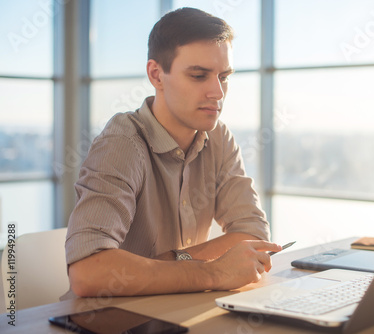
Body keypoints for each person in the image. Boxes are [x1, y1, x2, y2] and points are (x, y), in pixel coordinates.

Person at [64, 7, 281, 298]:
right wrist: (214, 271)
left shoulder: (217, 137)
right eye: (199, 75)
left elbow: (253, 236)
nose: (217, 92)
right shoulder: (122, 142)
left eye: (224, 76)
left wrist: (174, 261)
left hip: (177, 313)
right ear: (156, 74)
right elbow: (88, 272)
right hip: (113, 322)